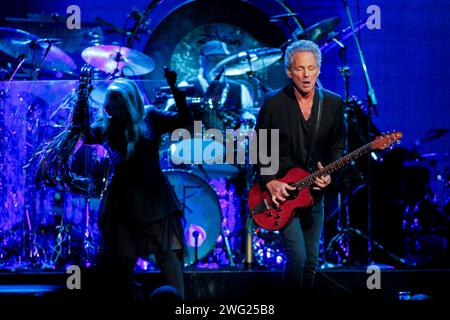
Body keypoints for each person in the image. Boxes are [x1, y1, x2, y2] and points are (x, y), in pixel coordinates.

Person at [34, 68, 191, 300]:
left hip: (155, 200)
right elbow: (82, 134)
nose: (112, 108)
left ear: (129, 101)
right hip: (123, 203)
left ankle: (180, 306)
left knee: (168, 257)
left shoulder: (151, 117)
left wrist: (176, 90)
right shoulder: (105, 126)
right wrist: (82, 96)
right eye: (111, 103)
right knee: (121, 262)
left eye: (117, 102)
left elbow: (184, 122)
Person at [255, 40, 345, 296]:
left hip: (314, 195)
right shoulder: (273, 103)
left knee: (311, 263)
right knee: (297, 258)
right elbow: (260, 146)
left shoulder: (333, 104)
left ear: (318, 69)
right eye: (299, 69)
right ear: (288, 71)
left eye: (311, 68)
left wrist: (328, 175)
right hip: (281, 193)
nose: (306, 75)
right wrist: (270, 180)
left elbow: (337, 149)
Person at [176, 40, 254, 131]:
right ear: (202, 60)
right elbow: (172, 116)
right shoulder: (185, 87)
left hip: (231, 143)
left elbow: (248, 121)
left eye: (222, 60)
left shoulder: (241, 90)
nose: (218, 65)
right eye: (213, 59)